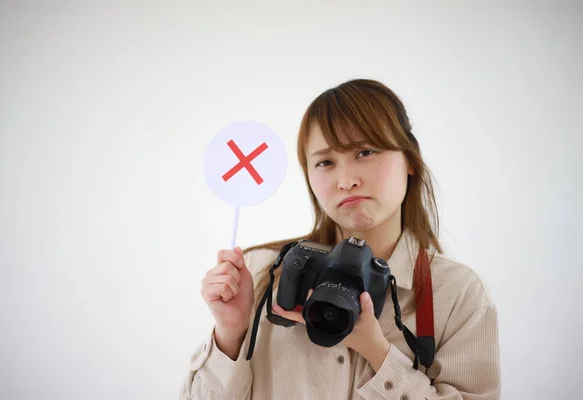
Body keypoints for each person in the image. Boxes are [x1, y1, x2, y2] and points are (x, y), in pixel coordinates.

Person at [181, 79, 501, 399]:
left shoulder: (456, 293)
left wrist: (378, 352)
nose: (346, 181)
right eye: (325, 162)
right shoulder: (259, 273)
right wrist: (230, 334)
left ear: (411, 160)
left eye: (365, 151)